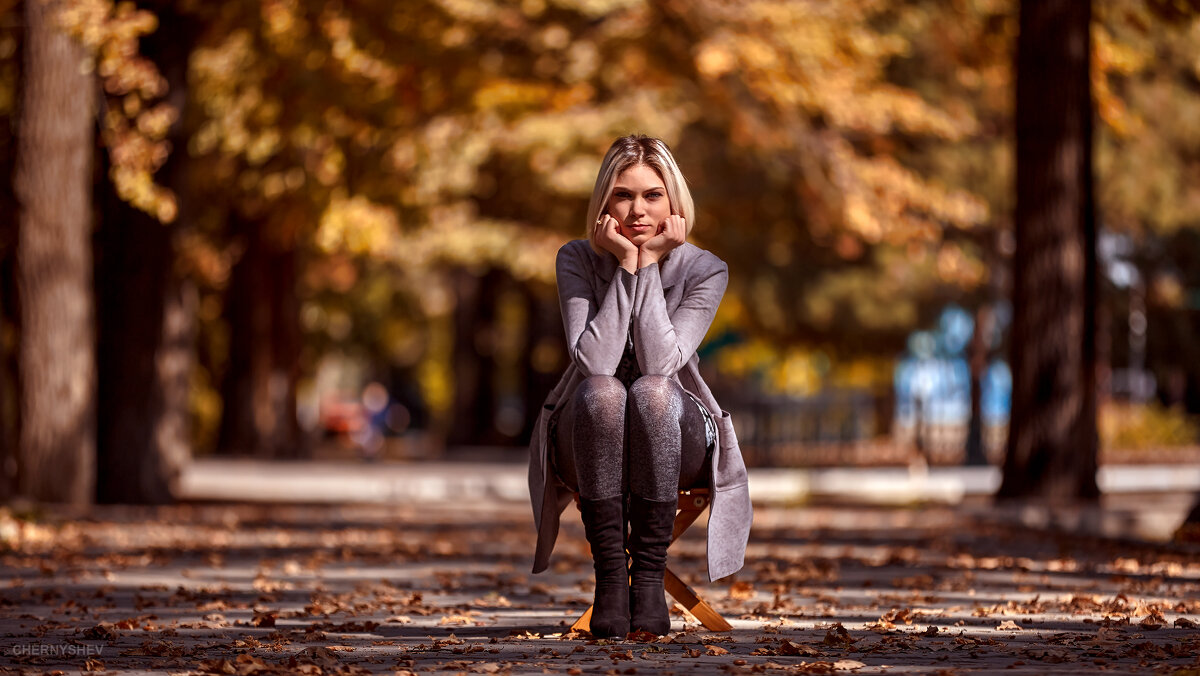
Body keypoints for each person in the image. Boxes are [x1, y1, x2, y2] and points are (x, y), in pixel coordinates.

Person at [527, 134, 752, 638]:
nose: (637, 210)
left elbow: (660, 361)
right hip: (588, 430)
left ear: (673, 202)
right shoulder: (578, 259)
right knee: (605, 392)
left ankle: (647, 579)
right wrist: (628, 264)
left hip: (676, 433)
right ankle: (610, 579)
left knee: (652, 391)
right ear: (604, 203)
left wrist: (645, 263)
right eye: (623, 195)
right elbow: (594, 361)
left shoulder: (704, 268)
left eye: (652, 195)